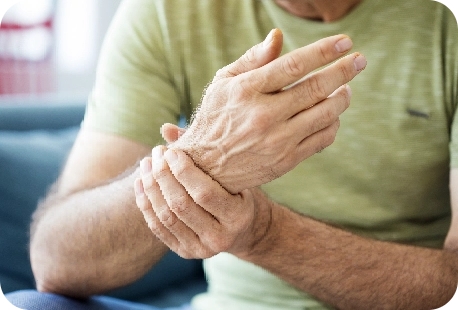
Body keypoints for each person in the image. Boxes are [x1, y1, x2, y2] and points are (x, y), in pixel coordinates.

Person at [6, 0, 458, 309]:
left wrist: (263, 233)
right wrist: (206, 156)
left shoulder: (444, 32)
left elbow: (449, 281)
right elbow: (56, 262)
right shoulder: (167, 13)